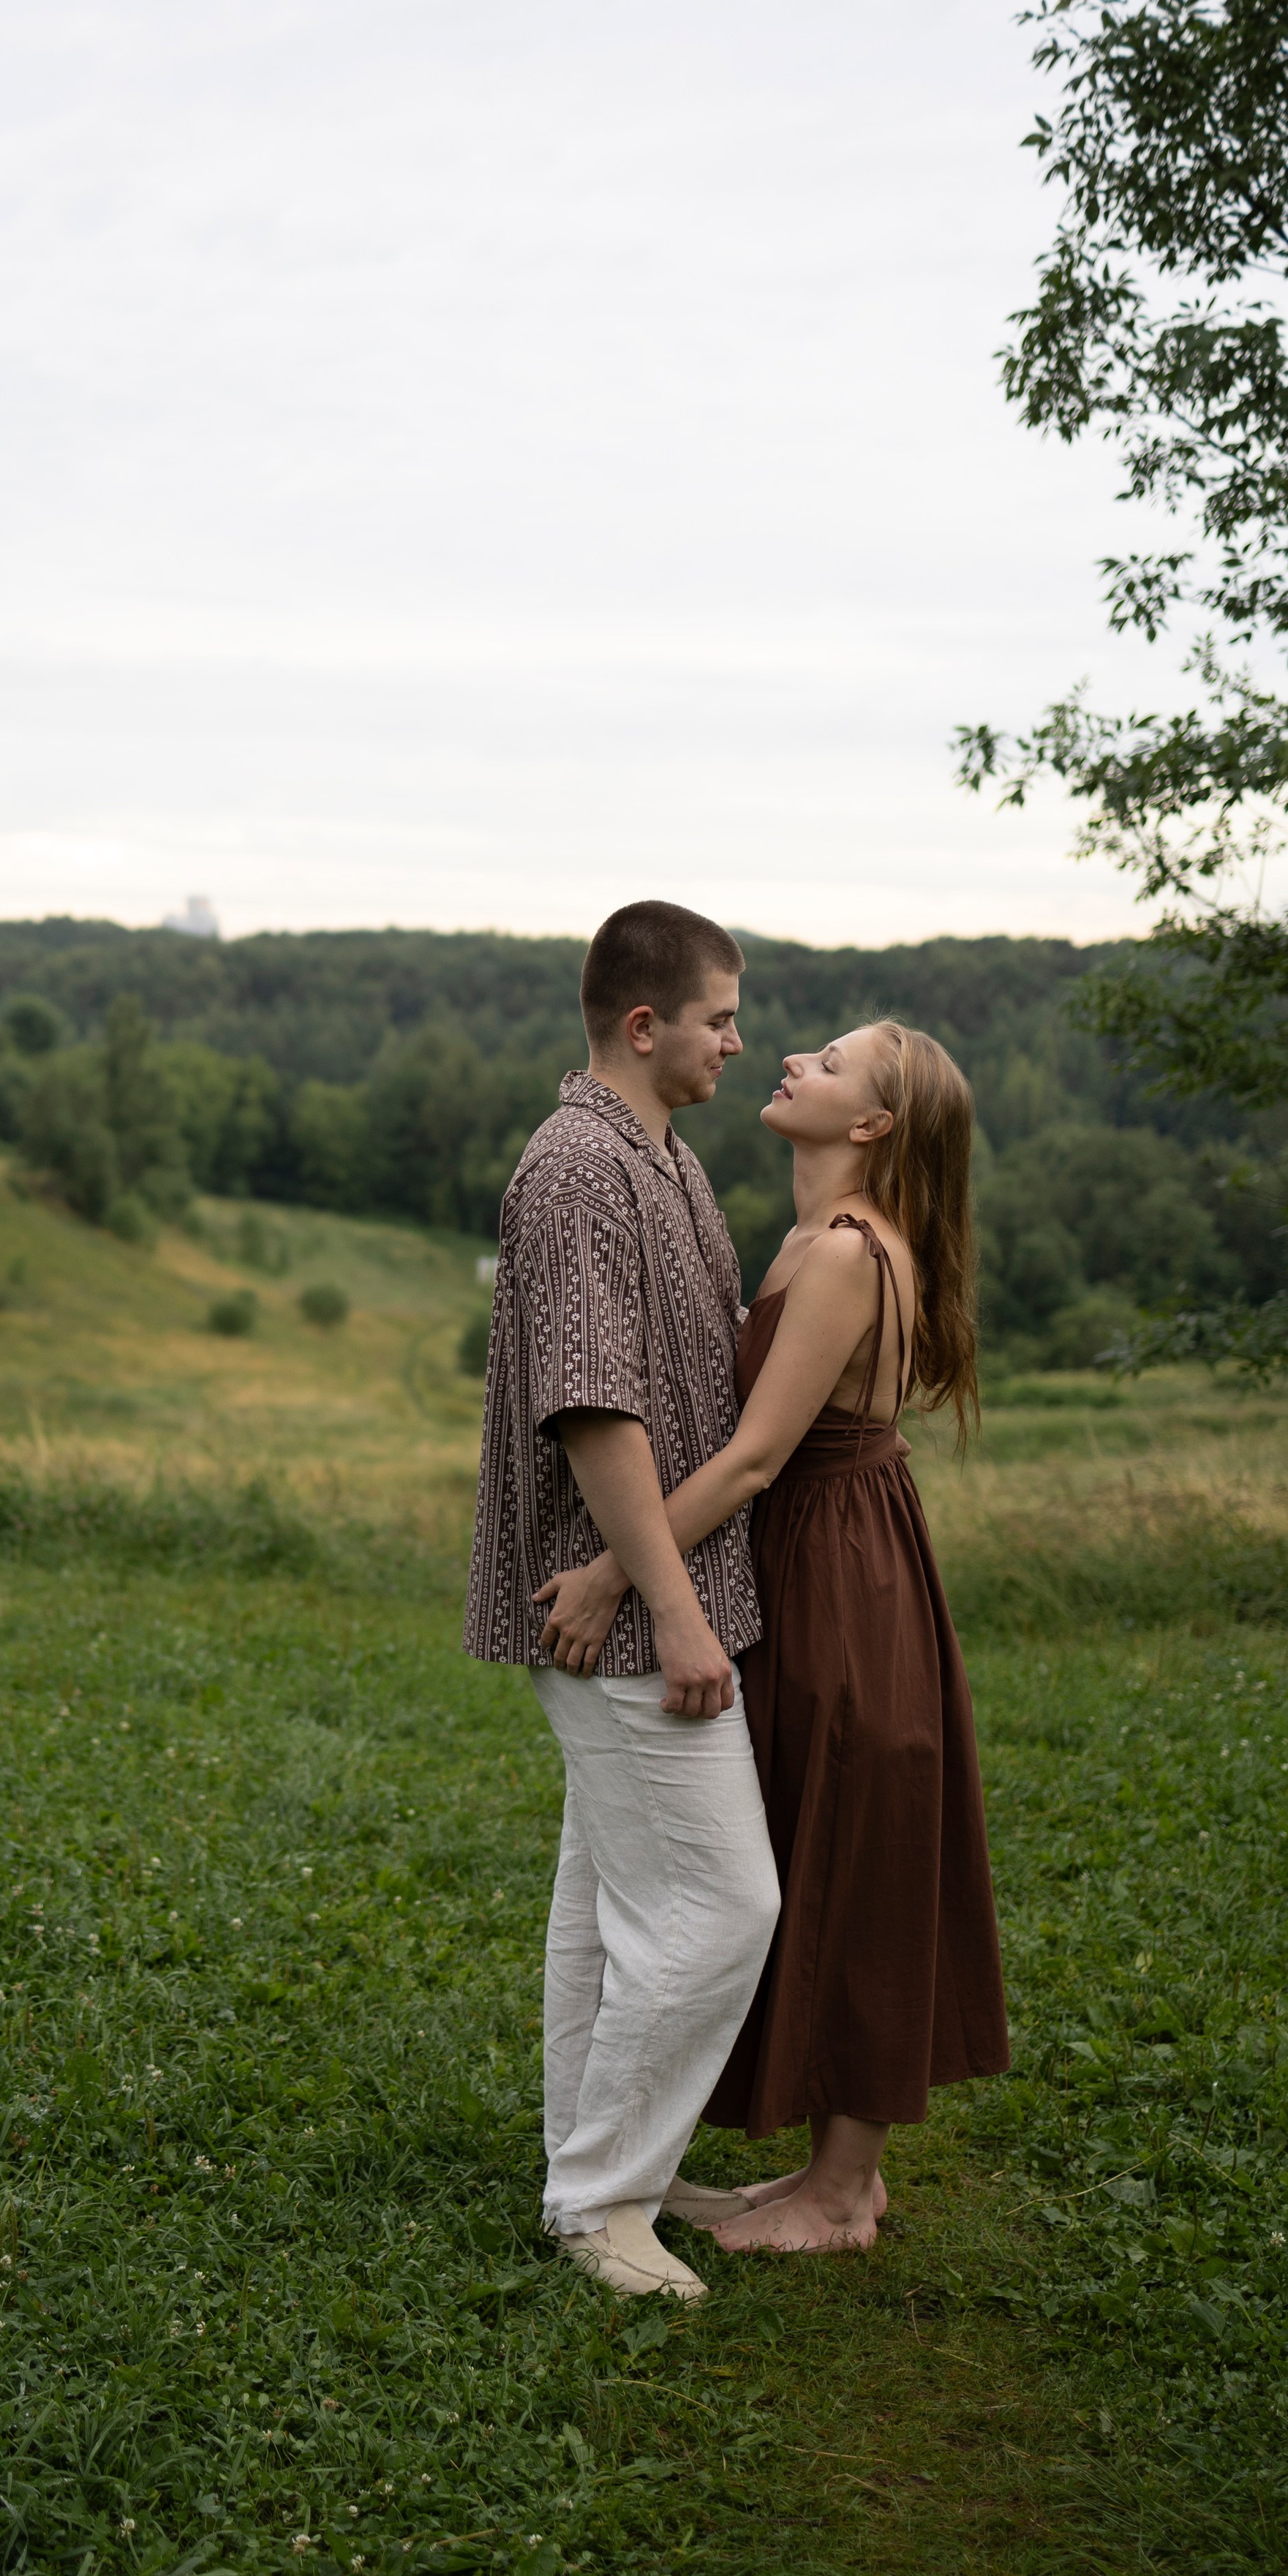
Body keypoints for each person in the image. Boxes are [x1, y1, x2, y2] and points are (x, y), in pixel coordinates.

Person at [534, 1020, 1009, 2253]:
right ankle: (823, 2176)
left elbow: (751, 1460)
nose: (790, 1059)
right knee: (820, 1831)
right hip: (821, 1552)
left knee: (856, 1843)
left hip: (836, 1565)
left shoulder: (849, 1250)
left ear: (871, 1127)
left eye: (832, 1064)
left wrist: (607, 1579)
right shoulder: (816, 1234)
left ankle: (842, 2195)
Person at [464, 899, 780, 2303]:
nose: (738, 1040)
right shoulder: (579, 1170)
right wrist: (678, 1608)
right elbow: (594, 1415)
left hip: (654, 1592)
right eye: (719, 1017)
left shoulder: (669, 1157)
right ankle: (600, 2204)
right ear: (644, 1025)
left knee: (605, 1907)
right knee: (723, 1904)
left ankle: (606, 2170)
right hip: (625, 1611)